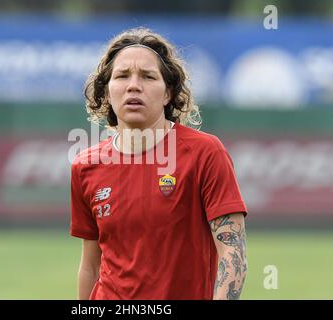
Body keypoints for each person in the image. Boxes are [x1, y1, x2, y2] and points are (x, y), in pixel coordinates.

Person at [70, 27, 247, 300]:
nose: (133, 85)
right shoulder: (85, 165)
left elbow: (232, 253)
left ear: (168, 93)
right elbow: (91, 266)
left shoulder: (205, 153)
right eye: (122, 76)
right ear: (106, 93)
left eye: (148, 76)